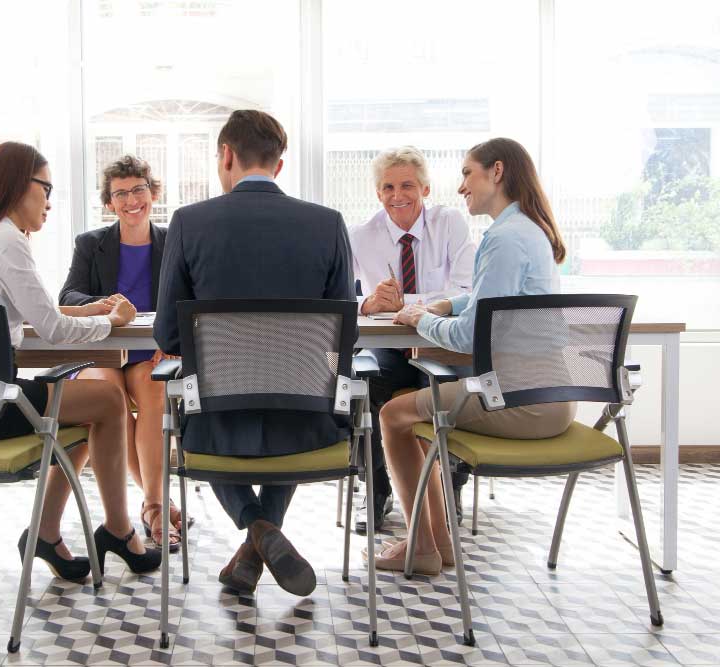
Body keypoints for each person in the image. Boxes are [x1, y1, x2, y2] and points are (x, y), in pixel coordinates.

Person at [0, 141, 161, 581]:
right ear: (16, 185)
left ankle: (48, 534)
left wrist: (87, 311)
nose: (49, 201)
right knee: (107, 401)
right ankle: (120, 531)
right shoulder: (8, 241)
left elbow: (38, 313)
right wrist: (112, 320)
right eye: (45, 188)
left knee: (90, 412)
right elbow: (51, 330)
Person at [154, 110, 355, 597]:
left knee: (198, 425)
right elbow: (343, 338)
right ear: (279, 166)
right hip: (308, 424)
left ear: (226, 155)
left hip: (217, 426)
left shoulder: (188, 222)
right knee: (288, 398)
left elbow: (167, 333)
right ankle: (263, 536)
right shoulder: (328, 224)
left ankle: (257, 532)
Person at [371, 137, 575, 575]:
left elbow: (467, 338)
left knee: (392, 415)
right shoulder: (525, 230)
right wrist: (445, 305)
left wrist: (417, 318)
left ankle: (422, 547)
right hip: (549, 396)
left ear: (496, 172)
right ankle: (433, 544)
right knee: (419, 422)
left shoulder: (503, 239)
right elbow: (490, 302)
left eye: (467, 173)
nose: (461, 186)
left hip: (520, 403)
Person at [59, 155, 190, 552]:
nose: (131, 200)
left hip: (151, 349)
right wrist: (106, 303)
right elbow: (68, 296)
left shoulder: (173, 241)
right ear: (109, 201)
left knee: (152, 394)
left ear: (152, 193)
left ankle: (151, 506)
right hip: (102, 348)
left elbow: (191, 296)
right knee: (109, 401)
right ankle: (155, 504)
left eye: (138, 190)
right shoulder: (91, 244)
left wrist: (174, 338)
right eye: (121, 193)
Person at [349, 146, 474, 534]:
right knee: (363, 385)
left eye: (407, 185)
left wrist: (413, 304)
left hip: (441, 344)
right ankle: (379, 490)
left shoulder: (450, 222)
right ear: (378, 193)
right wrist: (368, 302)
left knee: (450, 389)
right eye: (387, 186)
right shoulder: (360, 235)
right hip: (390, 346)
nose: (397, 194)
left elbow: (466, 288)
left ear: (425, 189)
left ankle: (449, 488)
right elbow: (337, 295)